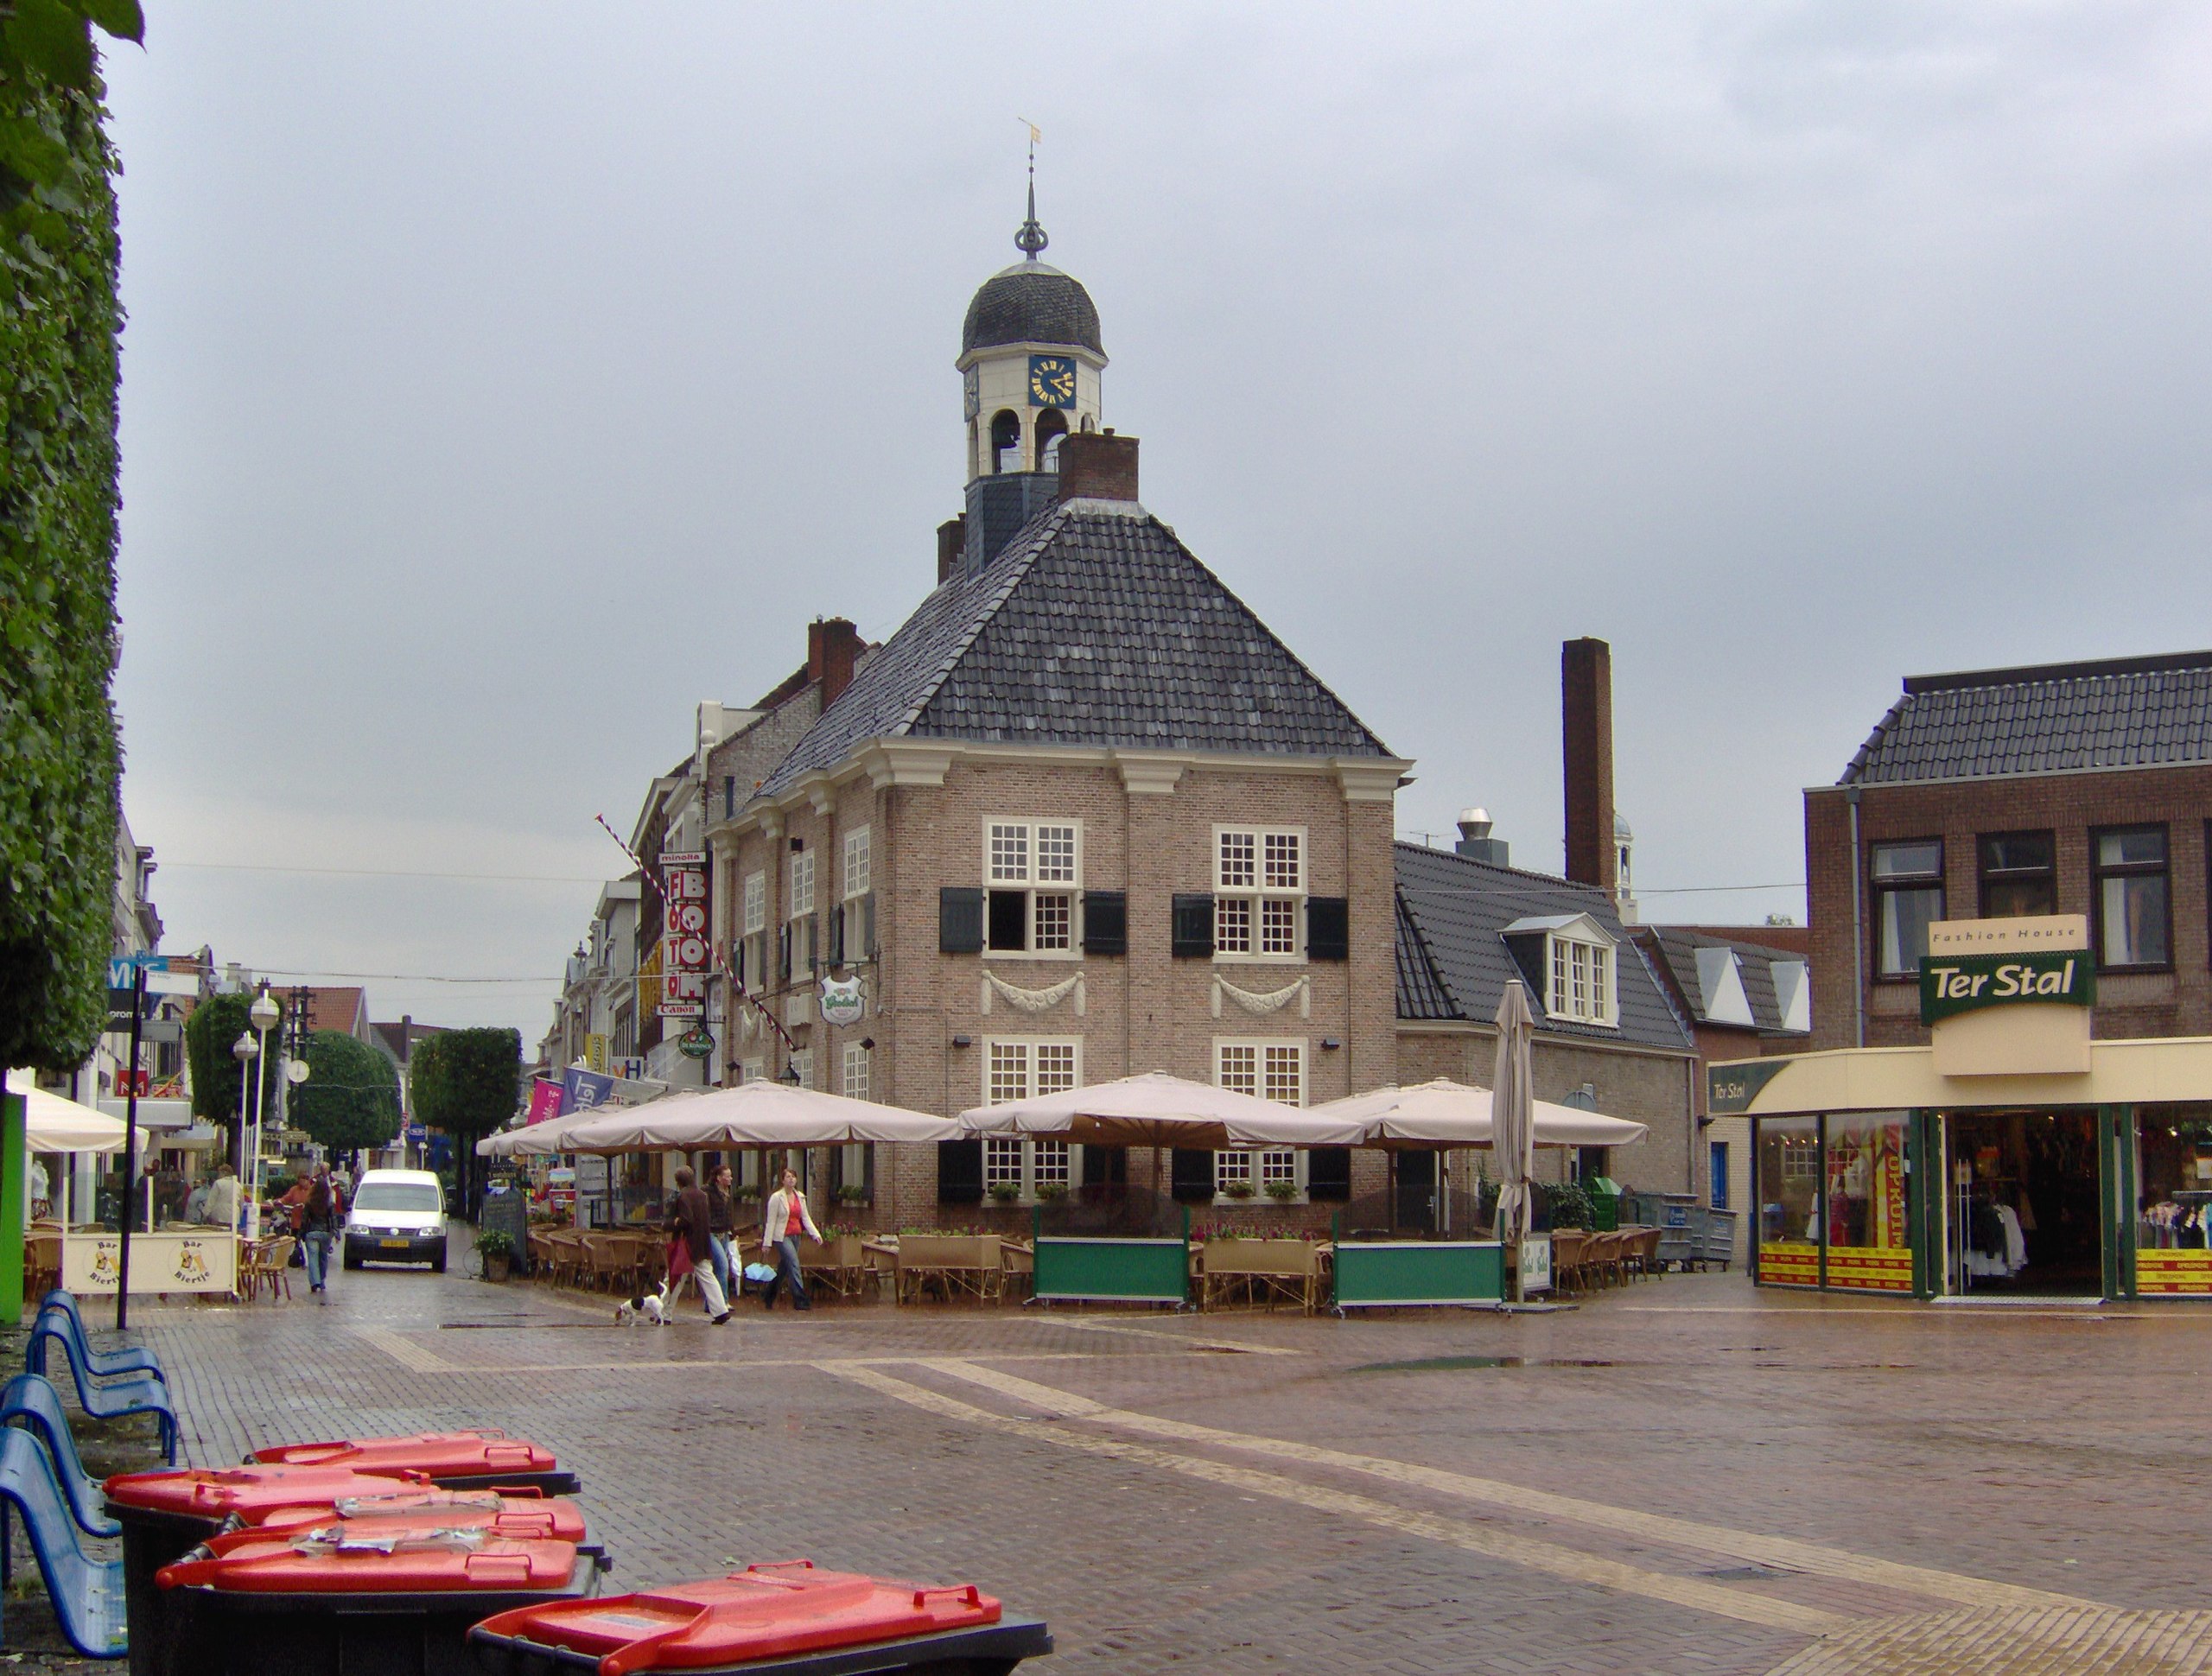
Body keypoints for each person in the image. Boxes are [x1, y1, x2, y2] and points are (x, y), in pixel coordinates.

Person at [666, 1165, 731, 1324]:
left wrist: (673, 1224)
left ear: (679, 1182)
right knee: (708, 1276)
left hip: (687, 1244)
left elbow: (686, 1219)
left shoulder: (683, 1196)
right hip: (702, 1242)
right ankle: (720, 1310)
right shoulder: (702, 1195)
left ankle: (665, 1314)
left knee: (675, 1278)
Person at [760, 1167, 819, 1311]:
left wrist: (815, 1234)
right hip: (782, 1236)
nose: (791, 1179)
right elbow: (771, 1221)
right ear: (782, 1180)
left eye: (793, 1176)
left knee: (784, 1268)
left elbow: (805, 1218)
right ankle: (800, 1300)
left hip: (796, 1235)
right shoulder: (776, 1198)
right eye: (788, 1177)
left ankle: (769, 1294)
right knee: (794, 1264)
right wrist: (767, 1242)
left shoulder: (800, 1197)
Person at [299, 1165, 343, 1301]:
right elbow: (333, 1218)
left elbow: (305, 1220)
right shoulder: (329, 1203)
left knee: (312, 1258)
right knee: (323, 1258)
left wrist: (300, 1234)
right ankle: (322, 1280)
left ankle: (314, 1282)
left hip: (312, 1232)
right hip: (325, 1233)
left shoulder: (310, 1202)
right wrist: (336, 1232)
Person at [705, 1163, 737, 1300]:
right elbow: (706, 1213)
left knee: (719, 1268)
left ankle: (710, 1302)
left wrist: (732, 1232)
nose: (730, 1179)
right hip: (711, 1232)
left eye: (730, 1176)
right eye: (727, 1176)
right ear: (719, 1178)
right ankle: (722, 1301)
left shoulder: (728, 1193)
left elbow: (729, 1214)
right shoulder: (708, 1193)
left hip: (724, 1232)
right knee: (723, 1264)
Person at [204, 1164, 240, 1235]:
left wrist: (206, 1213)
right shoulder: (238, 1185)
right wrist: (239, 1214)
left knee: (219, 1236)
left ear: (224, 1172)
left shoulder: (218, 1183)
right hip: (234, 1217)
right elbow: (241, 1202)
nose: (218, 1175)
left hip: (220, 1216)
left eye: (219, 1173)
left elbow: (211, 1200)